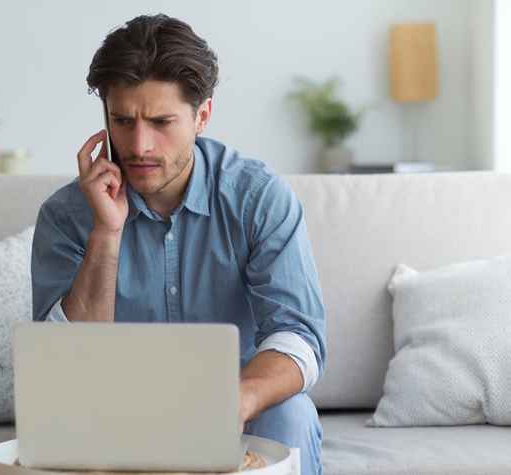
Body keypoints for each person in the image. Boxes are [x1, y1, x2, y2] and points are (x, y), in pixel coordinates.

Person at [31, 13, 326, 475]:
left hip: (238, 408)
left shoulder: (258, 198)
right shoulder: (67, 215)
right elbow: (63, 369)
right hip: (110, 416)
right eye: (122, 121)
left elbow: (299, 338)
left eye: (161, 121)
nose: (139, 144)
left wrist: (235, 400)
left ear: (202, 115)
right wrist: (106, 233)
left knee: (291, 413)